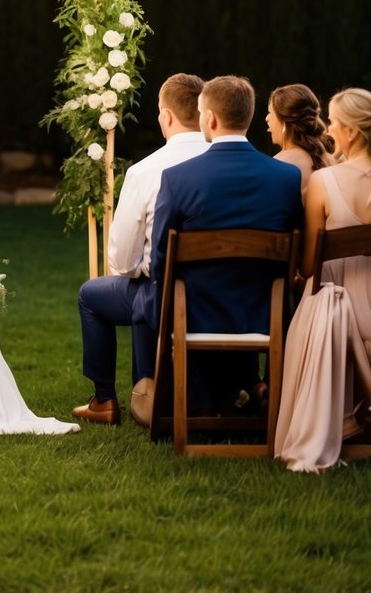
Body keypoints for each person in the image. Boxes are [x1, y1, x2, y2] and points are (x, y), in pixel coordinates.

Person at [142, 75, 304, 413]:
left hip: (195, 315)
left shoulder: (178, 178)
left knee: (144, 301)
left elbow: (160, 257)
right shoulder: (286, 178)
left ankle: (178, 402)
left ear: (211, 118)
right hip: (267, 314)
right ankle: (242, 392)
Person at [73, 73, 206, 426]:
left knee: (91, 294)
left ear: (166, 116)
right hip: (224, 292)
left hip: (161, 294)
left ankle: (104, 400)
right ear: (208, 114)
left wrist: (134, 271)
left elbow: (121, 259)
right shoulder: (228, 164)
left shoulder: (147, 170)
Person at [275, 87, 371, 472]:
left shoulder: (324, 182)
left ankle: (339, 417)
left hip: (343, 318)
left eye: (333, 122)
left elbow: (311, 266)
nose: (328, 130)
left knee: (315, 295)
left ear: (350, 132)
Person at [266, 83, 334, 193]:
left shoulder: (279, 164)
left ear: (284, 122)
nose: (267, 118)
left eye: (270, 112)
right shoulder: (329, 159)